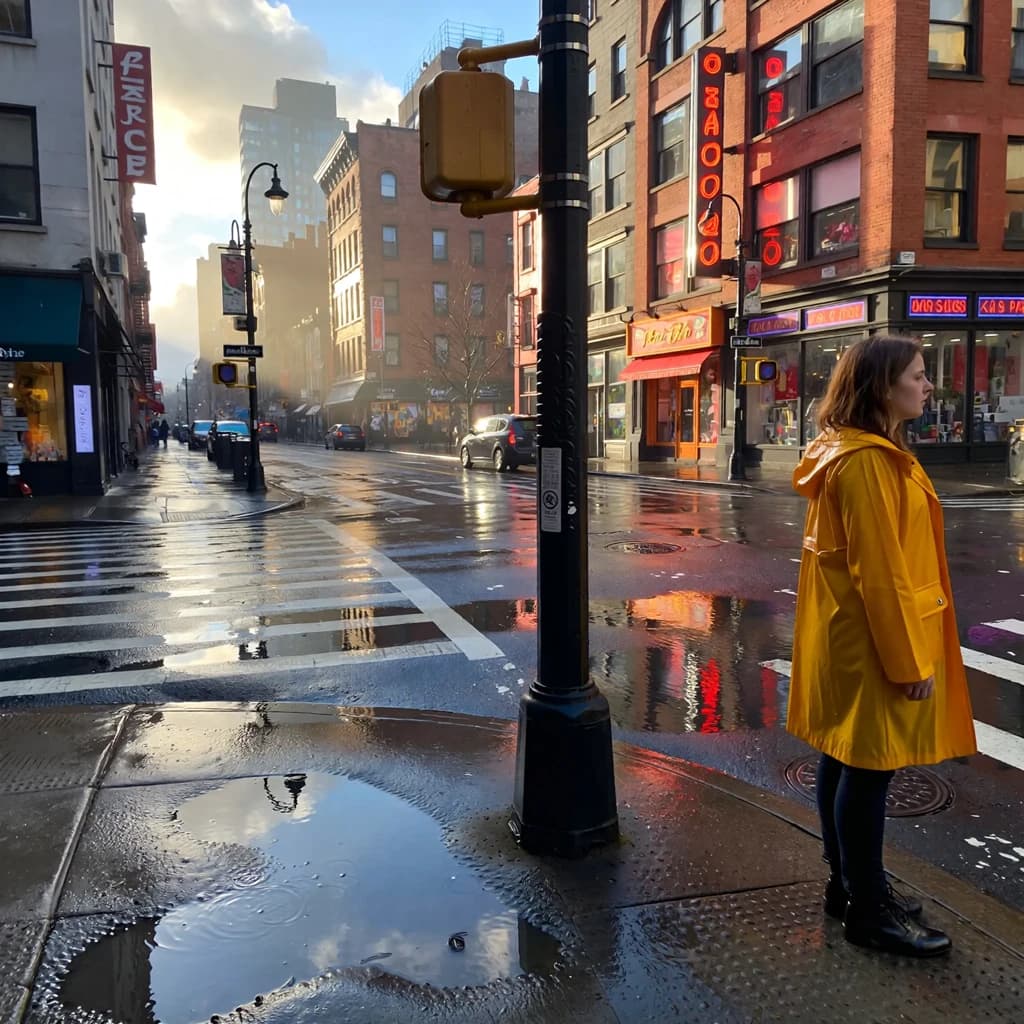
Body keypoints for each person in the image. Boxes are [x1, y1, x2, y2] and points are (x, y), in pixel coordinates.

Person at [788, 336, 976, 959]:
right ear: (881, 388)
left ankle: (849, 887)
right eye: (918, 377)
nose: (929, 387)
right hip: (872, 643)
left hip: (849, 635)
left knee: (844, 760)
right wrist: (908, 661)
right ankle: (867, 910)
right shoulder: (867, 462)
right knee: (867, 770)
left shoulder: (856, 452)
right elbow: (882, 572)